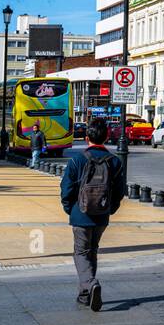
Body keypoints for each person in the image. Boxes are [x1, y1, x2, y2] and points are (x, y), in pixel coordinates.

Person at [59, 119, 124, 310]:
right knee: (92, 250)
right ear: (106, 137)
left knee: (81, 252)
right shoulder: (114, 161)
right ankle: (85, 294)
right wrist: (110, 209)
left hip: (81, 213)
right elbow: (120, 191)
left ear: (87, 138)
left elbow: (66, 188)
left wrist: (69, 208)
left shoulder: (77, 160)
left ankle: (90, 283)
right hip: (102, 214)